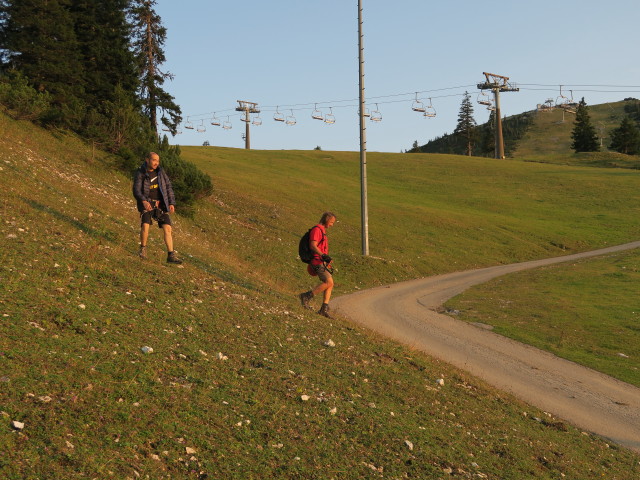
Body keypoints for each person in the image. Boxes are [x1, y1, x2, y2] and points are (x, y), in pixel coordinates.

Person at [133, 152, 182, 264]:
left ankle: (171, 255)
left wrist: (171, 203)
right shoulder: (140, 172)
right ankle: (143, 249)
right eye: (154, 160)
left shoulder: (160, 172)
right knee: (145, 225)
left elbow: (168, 187)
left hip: (161, 205)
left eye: (158, 161)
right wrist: (144, 201)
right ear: (147, 160)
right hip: (147, 204)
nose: (156, 163)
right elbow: (136, 190)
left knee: (168, 228)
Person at [299, 212, 336, 318]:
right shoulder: (317, 229)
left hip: (321, 261)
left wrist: (326, 260)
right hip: (316, 261)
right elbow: (313, 245)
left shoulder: (322, 230)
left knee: (330, 283)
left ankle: (324, 309)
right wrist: (323, 255)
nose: (332, 225)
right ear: (327, 220)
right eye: (332, 222)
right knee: (328, 282)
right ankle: (306, 296)